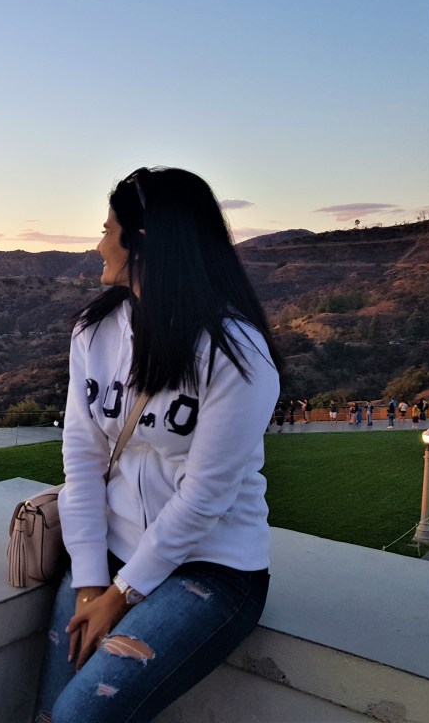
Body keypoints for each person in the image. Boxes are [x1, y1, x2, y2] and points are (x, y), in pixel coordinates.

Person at [34, 166, 281, 723]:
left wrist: (121, 595)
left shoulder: (234, 353)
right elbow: (82, 457)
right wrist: (90, 580)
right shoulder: (94, 333)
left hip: (212, 566)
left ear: (141, 242)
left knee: (81, 715)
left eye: (108, 229)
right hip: (109, 553)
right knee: (51, 712)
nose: (100, 243)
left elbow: (206, 496)